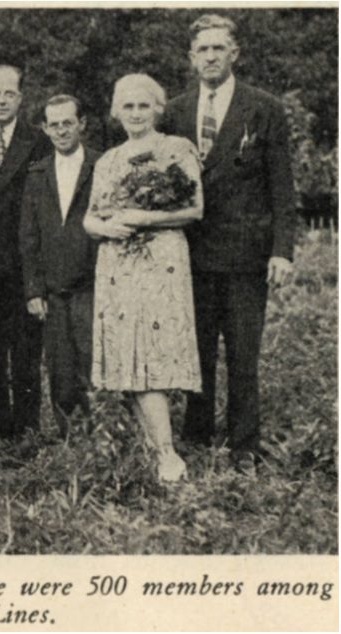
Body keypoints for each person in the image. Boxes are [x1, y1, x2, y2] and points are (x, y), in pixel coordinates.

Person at [163, 14, 297, 470]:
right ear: (191, 57)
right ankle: (197, 439)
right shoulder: (176, 111)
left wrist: (282, 250)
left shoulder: (263, 108)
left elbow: (283, 185)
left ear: (234, 53)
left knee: (243, 356)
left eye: (219, 48)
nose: (211, 56)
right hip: (191, 256)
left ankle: (244, 448)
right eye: (203, 49)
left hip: (245, 257)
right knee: (195, 352)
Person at [84, 74, 203, 482]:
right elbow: (90, 217)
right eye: (128, 106)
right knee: (127, 355)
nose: (135, 114)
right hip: (117, 265)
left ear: (158, 108)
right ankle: (153, 452)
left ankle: (168, 455)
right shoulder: (108, 160)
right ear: (116, 112)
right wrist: (103, 228)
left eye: (143, 105)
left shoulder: (175, 150)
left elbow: (195, 209)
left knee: (152, 354)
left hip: (160, 261)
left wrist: (142, 217)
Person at [0, 65, 53, 437]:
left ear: (21, 98)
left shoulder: (39, 141)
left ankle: (27, 429)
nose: (1, 100)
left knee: (25, 355)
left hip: (23, 267)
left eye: (9, 94)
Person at [19, 94, 100, 436]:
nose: (62, 130)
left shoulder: (102, 166)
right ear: (45, 129)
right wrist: (34, 289)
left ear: (82, 124)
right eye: (54, 124)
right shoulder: (37, 173)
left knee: (93, 364)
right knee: (61, 370)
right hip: (53, 290)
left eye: (68, 122)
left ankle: (104, 435)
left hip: (92, 286)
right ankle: (71, 440)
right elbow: (29, 236)